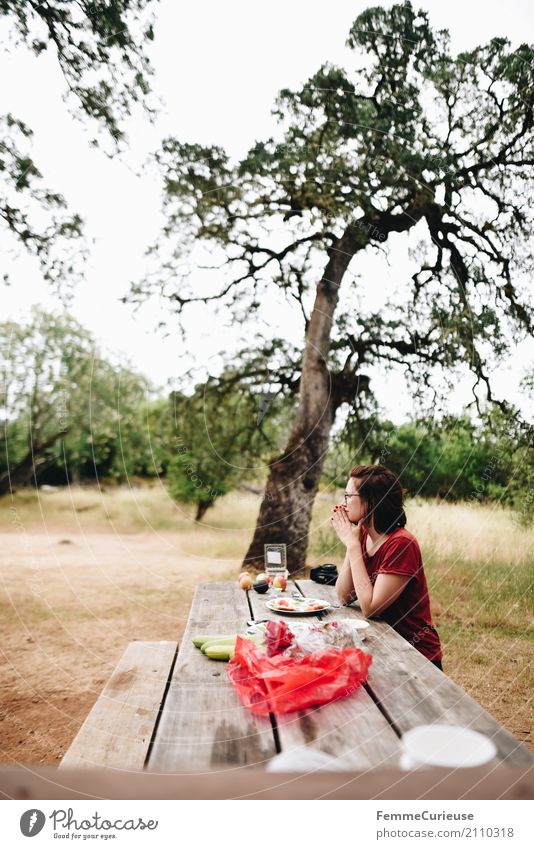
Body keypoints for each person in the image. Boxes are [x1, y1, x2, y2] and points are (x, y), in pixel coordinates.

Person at [331, 463, 443, 669]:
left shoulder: (401, 544)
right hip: (383, 648)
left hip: (416, 657)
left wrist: (353, 546)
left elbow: (371, 608)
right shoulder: (362, 535)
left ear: (370, 501)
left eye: (348, 496)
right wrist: (352, 542)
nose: (344, 503)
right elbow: (344, 596)